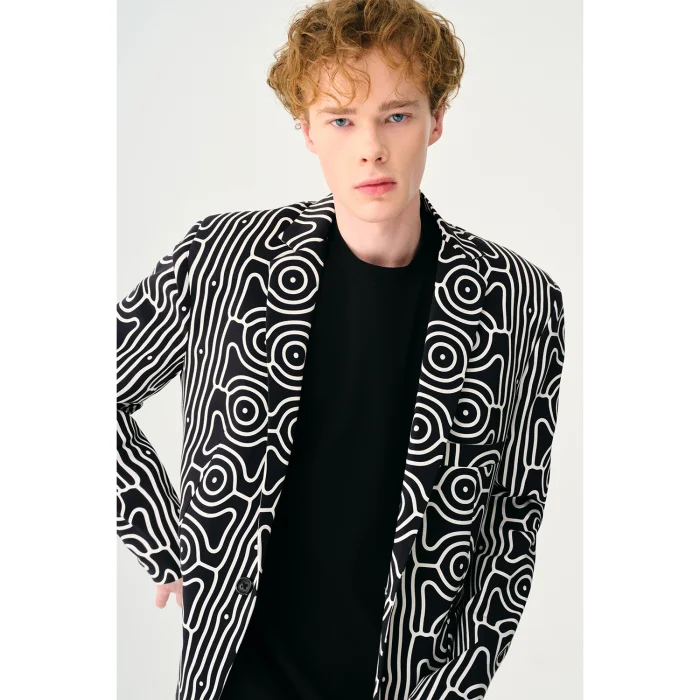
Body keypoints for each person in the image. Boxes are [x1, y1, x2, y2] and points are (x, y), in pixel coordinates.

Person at [116, 2, 566, 699]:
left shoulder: (520, 299)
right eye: (341, 120)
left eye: (396, 115)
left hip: (407, 683)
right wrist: (163, 535)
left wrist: (458, 684)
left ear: (436, 120)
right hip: (241, 677)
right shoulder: (223, 259)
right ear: (306, 130)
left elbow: (513, 521)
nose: (371, 149)